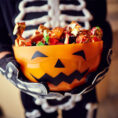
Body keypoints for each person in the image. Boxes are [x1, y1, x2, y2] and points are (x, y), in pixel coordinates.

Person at [0, 0, 112, 118]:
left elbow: (102, 24)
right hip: (31, 85)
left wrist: (103, 59)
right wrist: (7, 65)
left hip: (85, 79)